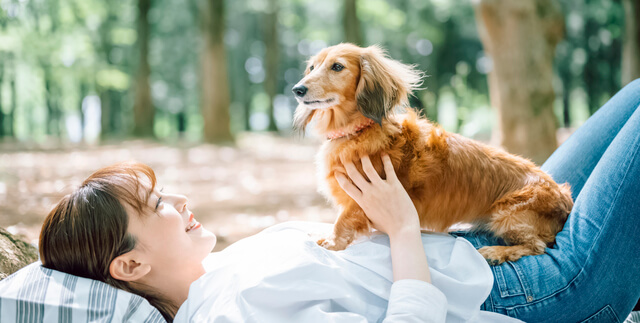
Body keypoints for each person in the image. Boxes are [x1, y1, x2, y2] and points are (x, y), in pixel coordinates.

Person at [38, 79, 640, 322]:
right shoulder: (233, 314)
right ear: (130, 265)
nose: (182, 199)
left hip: (479, 240)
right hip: (542, 290)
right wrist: (402, 229)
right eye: (158, 204)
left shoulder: (217, 276)